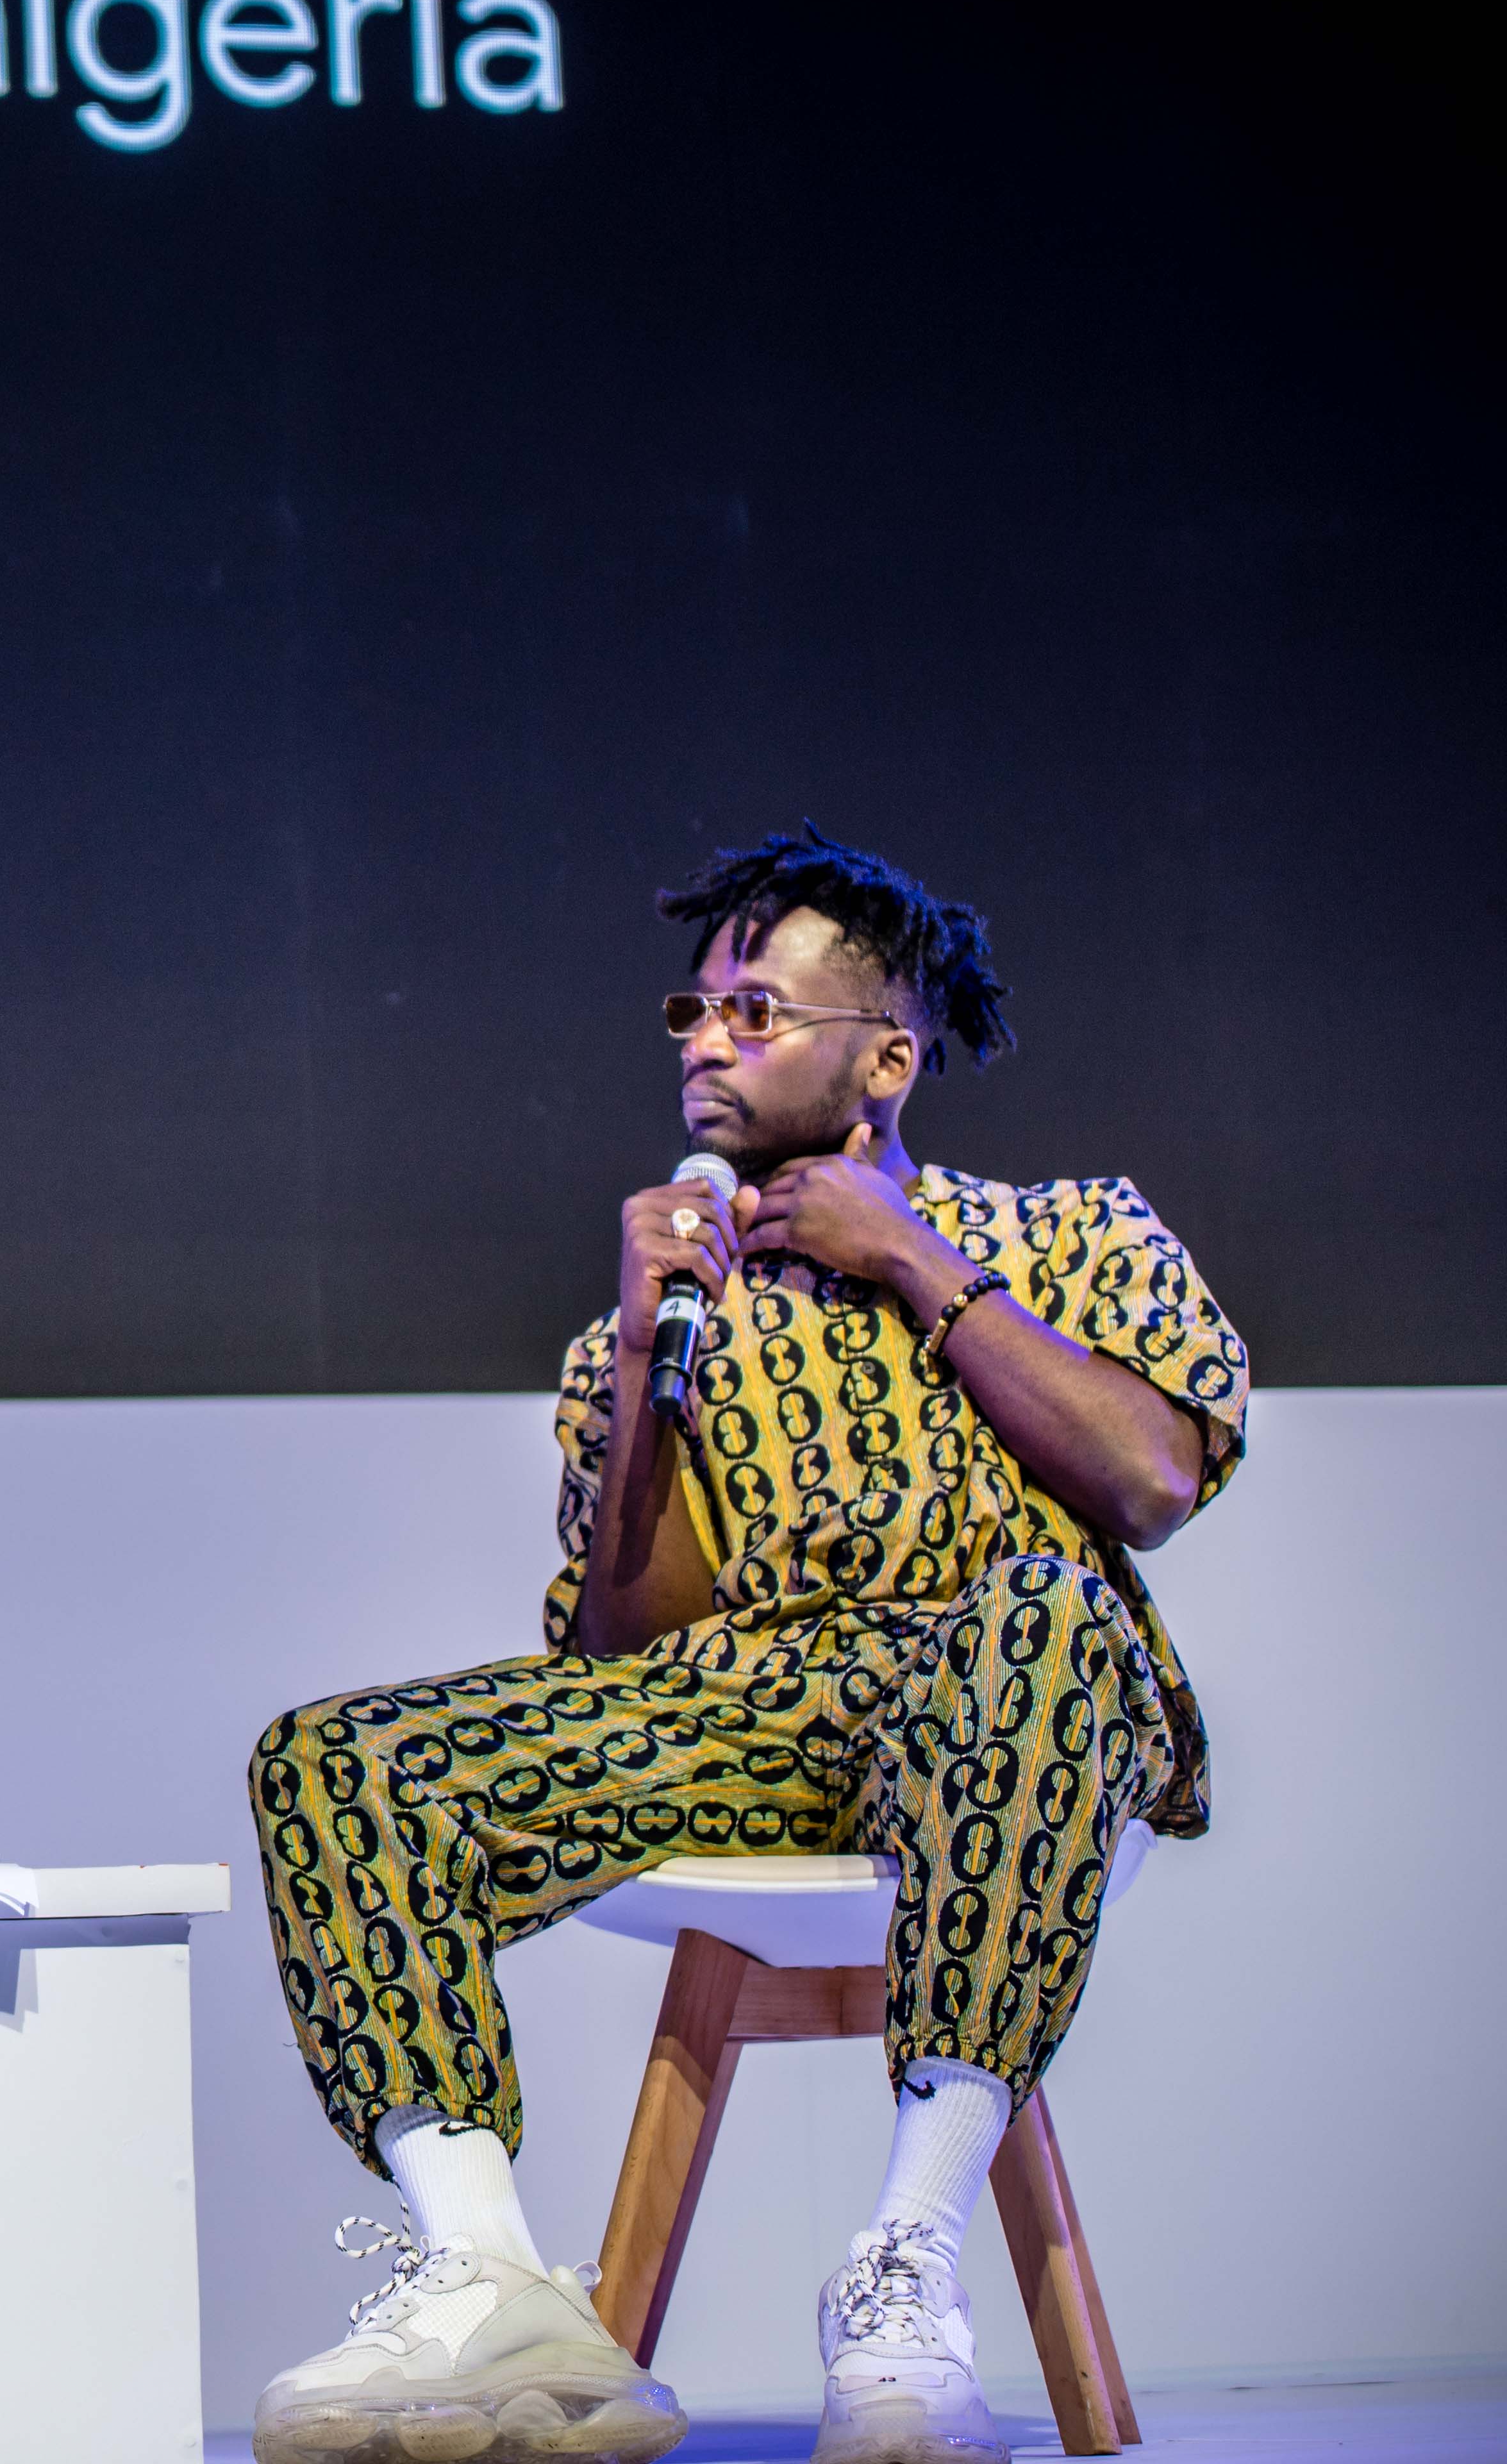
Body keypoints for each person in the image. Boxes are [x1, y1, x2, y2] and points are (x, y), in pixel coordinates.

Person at [244, 828, 1245, 2464]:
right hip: (750, 1710)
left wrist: (910, 1261)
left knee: (1039, 1610)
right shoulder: (654, 1313)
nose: (705, 1040)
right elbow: (621, 1654)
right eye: (692, 1010)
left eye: (757, 1012)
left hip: (1015, 1697)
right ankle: (490, 2287)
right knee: (332, 1758)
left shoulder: (1071, 1233)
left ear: (884, 1061)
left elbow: (1145, 1479)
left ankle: (904, 2268)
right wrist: (647, 1356)